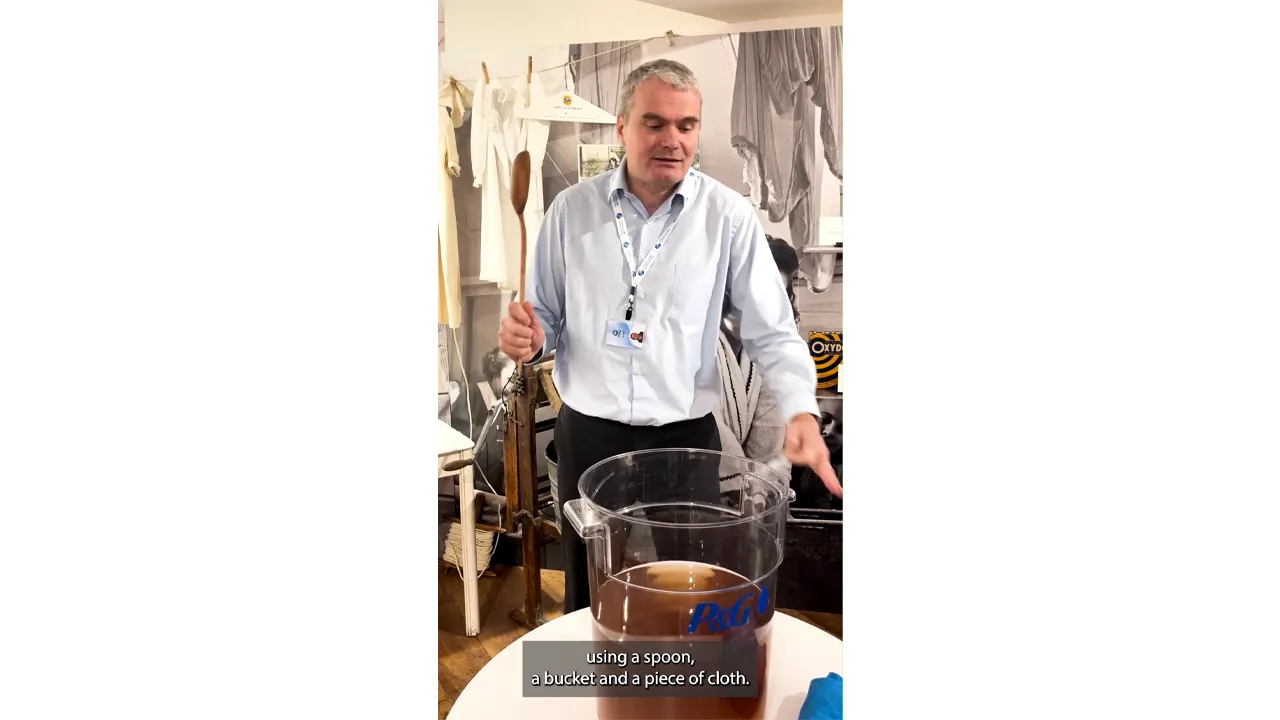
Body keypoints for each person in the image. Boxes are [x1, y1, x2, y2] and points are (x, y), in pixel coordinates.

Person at [497, 58, 841, 613]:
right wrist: (527, 338)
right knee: (587, 589)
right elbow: (544, 320)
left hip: (685, 441)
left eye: (687, 125)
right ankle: (592, 668)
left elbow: (773, 330)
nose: (672, 140)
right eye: (654, 123)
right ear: (622, 127)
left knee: (689, 589)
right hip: (589, 433)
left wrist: (800, 407)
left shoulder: (727, 217)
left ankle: (678, 671)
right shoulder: (571, 212)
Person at [713, 236, 801, 479]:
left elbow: (772, 440)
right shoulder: (689, 344)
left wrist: (764, 492)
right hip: (691, 483)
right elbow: (710, 432)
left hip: (755, 492)